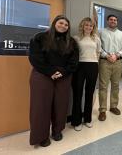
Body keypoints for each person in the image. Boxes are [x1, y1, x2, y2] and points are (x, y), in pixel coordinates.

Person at [29, 15, 78, 147]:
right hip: (42, 75)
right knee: (41, 106)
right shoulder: (40, 37)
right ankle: (41, 136)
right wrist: (50, 71)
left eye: (66, 25)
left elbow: (74, 61)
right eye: (60, 23)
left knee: (61, 105)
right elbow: (34, 58)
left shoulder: (72, 42)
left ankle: (57, 131)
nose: (63, 26)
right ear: (54, 23)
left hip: (64, 76)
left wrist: (63, 72)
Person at [71, 17, 101, 131]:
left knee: (90, 93)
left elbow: (98, 52)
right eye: (86, 25)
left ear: (93, 27)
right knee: (77, 93)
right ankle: (76, 121)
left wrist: (95, 61)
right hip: (79, 66)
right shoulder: (76, 38)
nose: (89, 27)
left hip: (93, 66)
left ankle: (87, 119)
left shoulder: (96, 39)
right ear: (82, 26)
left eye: (91, 26)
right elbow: (73, 53)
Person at [98, 14, 122, 121]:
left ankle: (113, 106)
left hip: (118, 62)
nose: (113, 21)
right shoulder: (101, 32)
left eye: (115, 20)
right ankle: (102, 110)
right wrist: (106, 55)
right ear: (107, 21)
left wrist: (117, 55)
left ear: (117, 22)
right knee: (103, 87)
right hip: (105, 62)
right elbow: (98, 46)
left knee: (115, 85)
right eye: (111, 19)